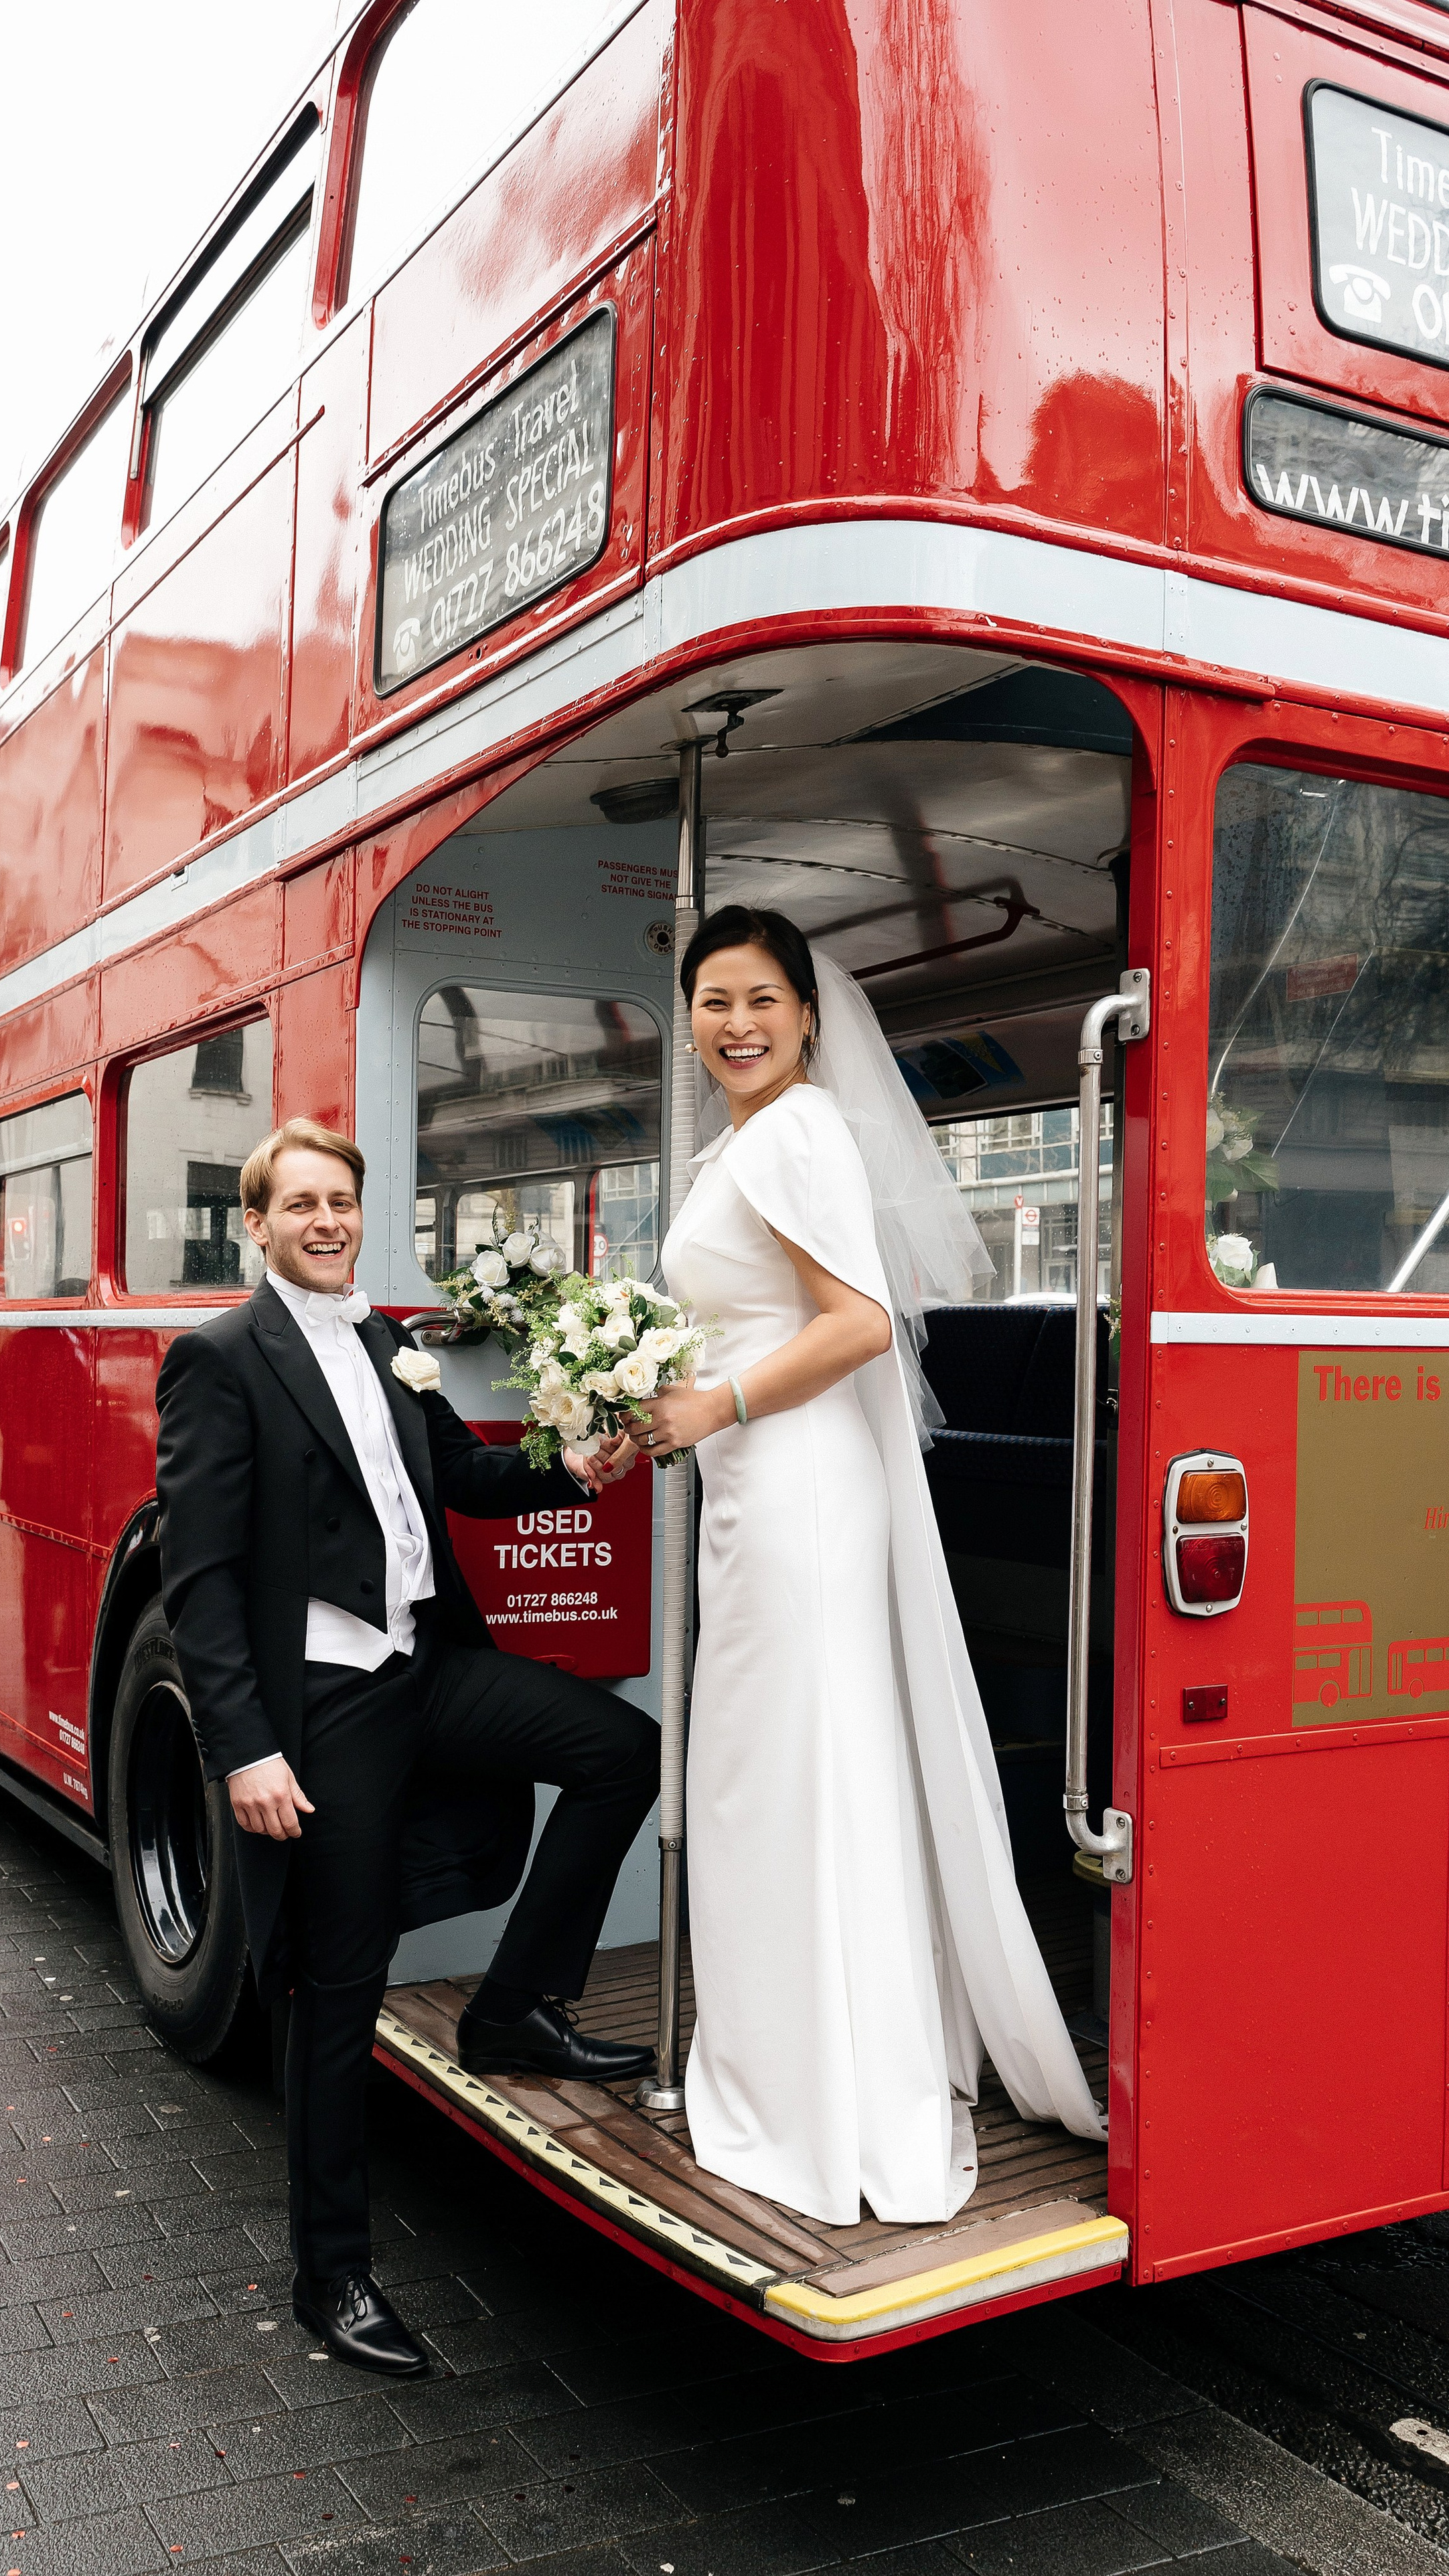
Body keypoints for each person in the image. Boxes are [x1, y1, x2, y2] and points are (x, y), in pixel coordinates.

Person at [155, 1118, 658, 2377]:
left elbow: (459, 1485)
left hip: (424, 1663)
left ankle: (511, 2011)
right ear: (259, 1223)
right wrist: (243, 1750)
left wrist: (574, 1470)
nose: (328, 1221)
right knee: (341, 1980)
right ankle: (332, 2278)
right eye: (302, 1204)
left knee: (620, 1752)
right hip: (326, 1701)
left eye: (344, 1201)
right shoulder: (220, 1360)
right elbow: (202, 1580)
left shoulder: (385, 1340)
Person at [627, 908, 1104, 2227]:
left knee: (787, 1779)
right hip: (755, 1491)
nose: (735, 1022)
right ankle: (791, 2064)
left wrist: (712, 1409)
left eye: (760, 998)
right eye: (711, 1001)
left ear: (806, 1014)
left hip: (792, 1494)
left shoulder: (794, 1132)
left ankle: (820, 2092)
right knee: (766, 1777)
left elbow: (848, 1326)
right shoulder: (745, 1139)